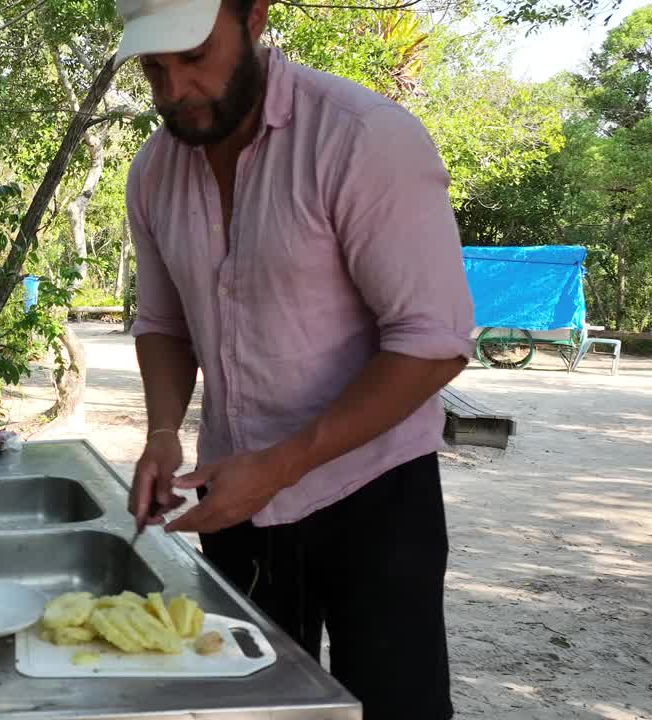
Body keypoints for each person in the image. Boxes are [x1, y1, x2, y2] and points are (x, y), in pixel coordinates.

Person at [116, 0, 475, 717]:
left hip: (374, 492)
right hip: (234, 497)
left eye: (193, 58)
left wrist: (282, 465)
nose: (174, 90)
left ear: (254, 19)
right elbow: (162, 321)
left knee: (394, 703)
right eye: (154, 68)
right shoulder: (154, 170)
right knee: (253, 705)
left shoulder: (363, 139)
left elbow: (434, 342)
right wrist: (163, 432)